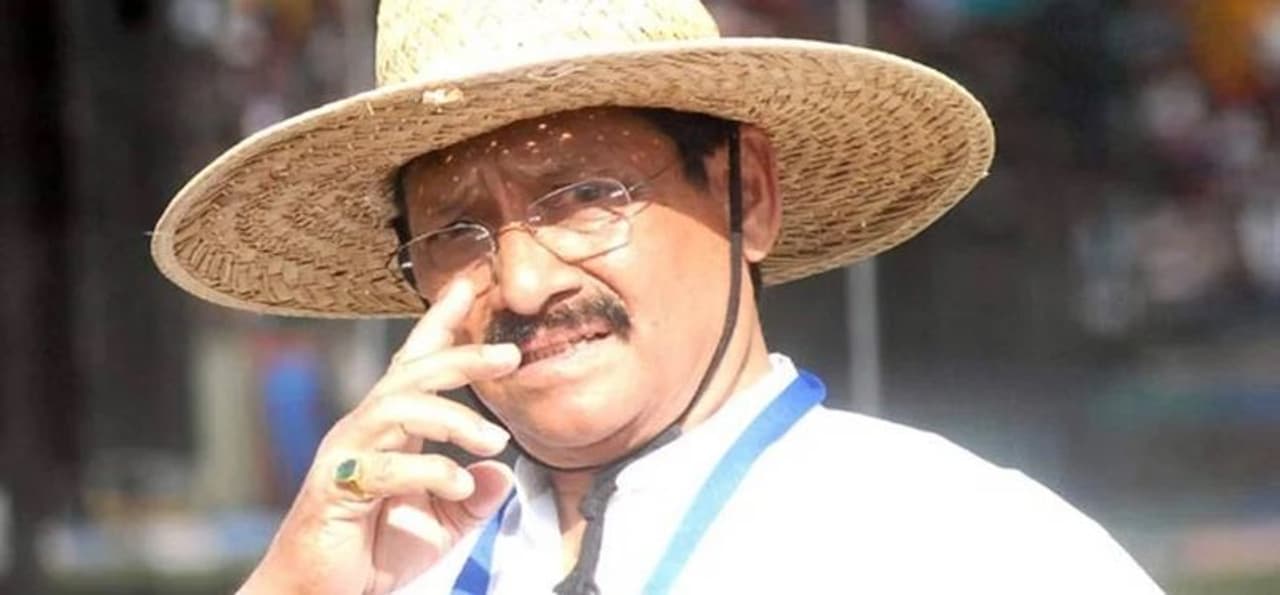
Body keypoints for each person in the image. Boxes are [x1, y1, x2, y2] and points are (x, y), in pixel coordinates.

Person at [150, 1, 1164, 593]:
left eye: (584, 197)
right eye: (457, 232)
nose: (525, 281)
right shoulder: (384, 567)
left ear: (747, 194)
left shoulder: (954, 545)